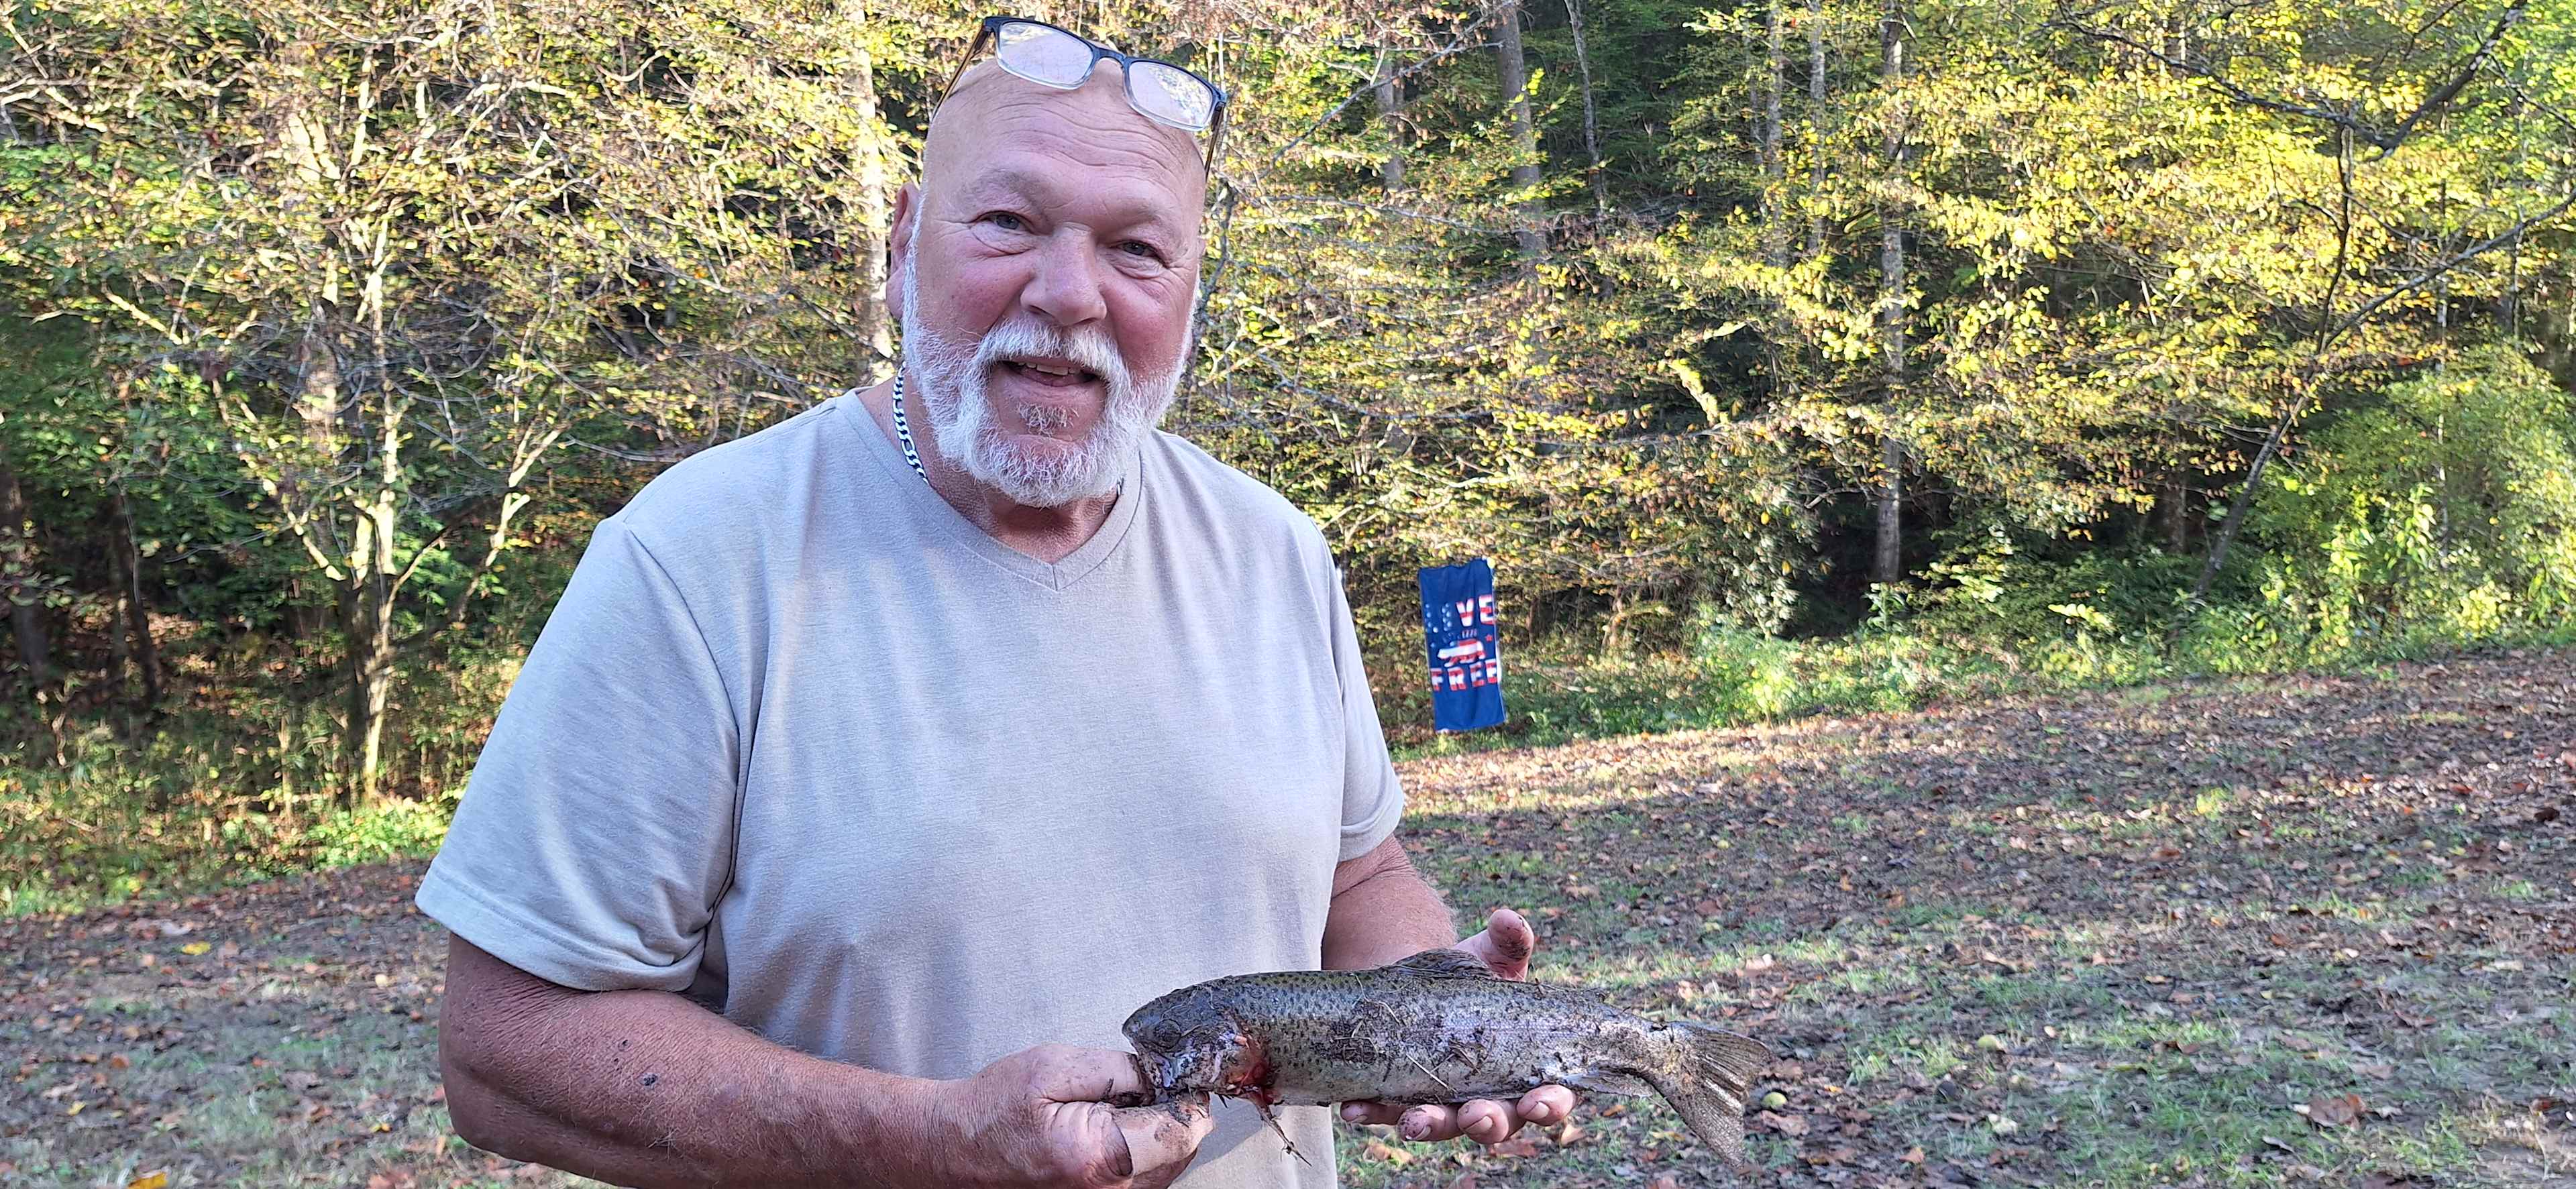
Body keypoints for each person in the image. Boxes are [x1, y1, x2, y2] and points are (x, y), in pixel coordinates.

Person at [419, 16, 1572, 1188]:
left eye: (1136, 249)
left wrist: (1435, 1007)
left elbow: (1355, 878)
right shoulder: (695, 563)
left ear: (1191, 293)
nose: (1068, 293)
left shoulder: (1273, 549)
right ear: (904, 240)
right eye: (1010, 223)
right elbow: (503, 1047)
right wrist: (926, 1142)